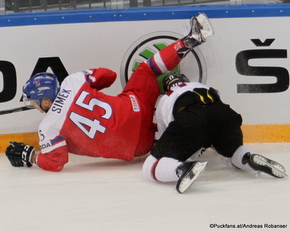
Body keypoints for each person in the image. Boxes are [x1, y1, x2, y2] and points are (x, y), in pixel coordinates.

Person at [5, 14, 212, 172]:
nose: (33, 106)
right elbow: (109, 76)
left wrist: (31, 156)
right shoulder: (73, 82)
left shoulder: (48, 127)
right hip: (135, 107)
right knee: (147, 69)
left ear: (47, 101)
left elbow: (56, 161)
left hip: (137, 146)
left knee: (168, 132)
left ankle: (202, 137)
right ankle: (191, 39)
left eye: (35, 102)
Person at [142, 39, 288, 194]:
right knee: (230, 154)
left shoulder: (165, 99)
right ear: (186, 81)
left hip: (192, 120)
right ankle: (248, 157)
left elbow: (165, 139)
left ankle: (181, 169)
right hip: (226, 115)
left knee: (150, 165)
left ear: (167, 88)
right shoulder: (202, 86)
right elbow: (211, 114)